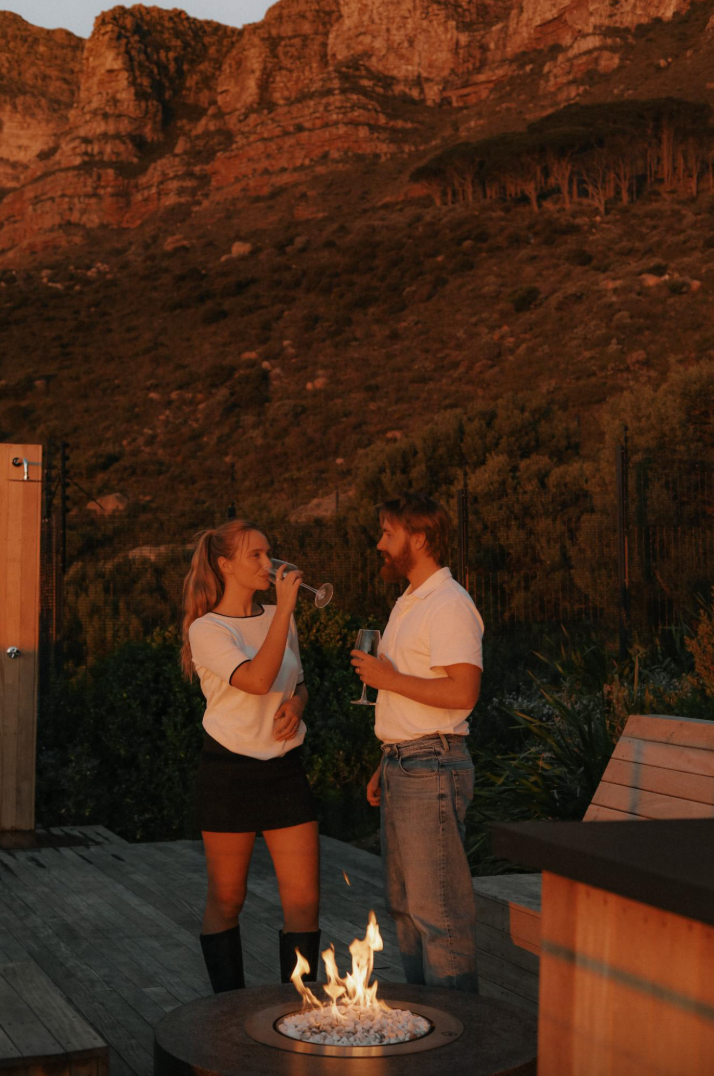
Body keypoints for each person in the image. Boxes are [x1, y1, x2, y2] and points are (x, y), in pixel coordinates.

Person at [181, 519, 320, 993]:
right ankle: (226, 1010)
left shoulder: (278, 616)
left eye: (269, 552)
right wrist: (283, 609)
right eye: (256, 556)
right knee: (227, 899)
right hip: (228, 772)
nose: (269, 563)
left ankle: (298, 1014)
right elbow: (258, 681)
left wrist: (298, 703)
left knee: (303, 903)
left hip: (285, 770)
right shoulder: (207, 629)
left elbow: (294, 679)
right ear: (225, 565)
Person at [351, 492, 482, 993]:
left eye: (387, 533)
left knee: (439, 916)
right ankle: (424, 1026)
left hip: (433, 766)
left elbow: (463, 692)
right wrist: (387, 757)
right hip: (406, 763)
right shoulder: (409, 600)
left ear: (419, 537)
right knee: (405, 912)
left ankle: (458, 1043)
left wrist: (386, 680)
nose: (379, 542)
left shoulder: (450, 604)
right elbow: (413, 694)